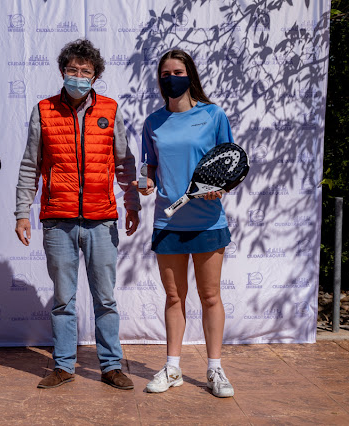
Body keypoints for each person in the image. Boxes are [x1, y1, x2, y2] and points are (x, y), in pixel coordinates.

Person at [15, 39, 141, 390]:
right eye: (73, 70)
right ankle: (63, 365)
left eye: (86, 71)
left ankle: (111, 366)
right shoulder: (44, 110)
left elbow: (124, 163)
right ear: (62, 71)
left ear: (95, 76)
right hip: (58, 219)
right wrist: (22, 212)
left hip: (102, 219)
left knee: (105, 299)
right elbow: (30, 165)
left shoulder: (110, 110)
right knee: (63, 300)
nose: (79, 76)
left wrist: (132, 203)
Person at [133, 49, 235, 397]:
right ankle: (172, 368)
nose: (171, 78)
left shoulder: (213, 115)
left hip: (208, 221)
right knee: (174, 297)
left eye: (177, 72)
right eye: (165, 74)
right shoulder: (152, 122)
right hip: (168, 223)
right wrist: (146, 183)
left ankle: (215, 369)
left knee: (210, 296)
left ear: (190, 75)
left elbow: (229, 163)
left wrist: (219, 188)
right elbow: (148, 168)